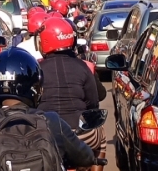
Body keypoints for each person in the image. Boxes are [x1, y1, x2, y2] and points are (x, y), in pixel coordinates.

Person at [37, 16, 106, 157]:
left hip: (46, 136)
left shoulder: (36, 69)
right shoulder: (83, 66)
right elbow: (93, 103)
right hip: (82, 135)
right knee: (102, 139)